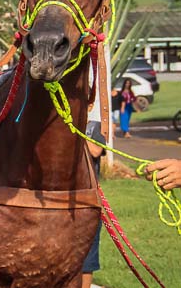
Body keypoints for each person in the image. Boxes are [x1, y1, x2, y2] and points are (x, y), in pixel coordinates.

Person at [82, 120, 105, 288]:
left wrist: (73, 134)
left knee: (86, 261)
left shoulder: (94, 127)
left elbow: (96, 151)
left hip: (88, 202)